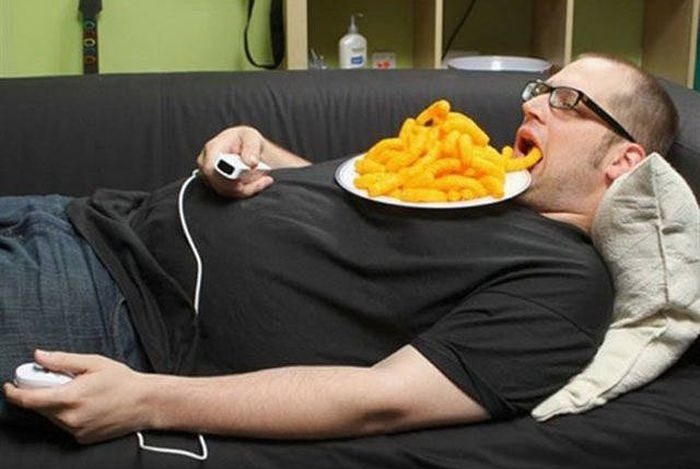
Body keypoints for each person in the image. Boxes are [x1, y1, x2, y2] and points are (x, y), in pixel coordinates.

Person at [1, 54, 678, 445]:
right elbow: (348, 207)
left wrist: (147, 402)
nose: (532, 108)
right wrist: (256, 149)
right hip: (85, 215)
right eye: (539, 91)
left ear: (623, 160)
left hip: (113, 304)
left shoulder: (565, 285)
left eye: (567, 101)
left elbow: (381, 398)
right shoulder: (480, 185)